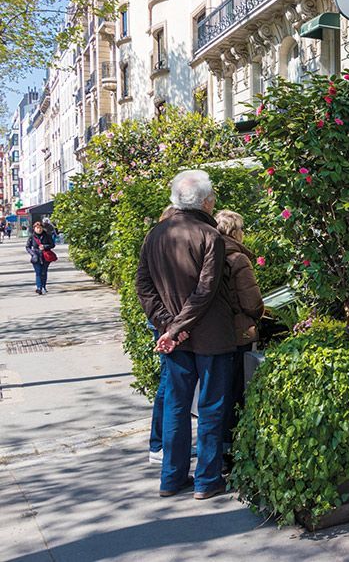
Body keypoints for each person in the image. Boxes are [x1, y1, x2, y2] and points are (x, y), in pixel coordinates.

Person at [135, 170, 236, 500]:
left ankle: (171, 478)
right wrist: (175, 327)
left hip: (176, 339)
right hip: (211, 336)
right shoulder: (211, 235)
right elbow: (206, 291)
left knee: (176, 407)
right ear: (206, 201)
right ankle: (207, 480)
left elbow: (144, 287)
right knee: (210, 407)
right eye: (213, 196)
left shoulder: (155, 234)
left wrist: (168, 326)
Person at [213, 210, 264, 463]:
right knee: (237, 393)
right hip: (239, 333)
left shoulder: (210, 253)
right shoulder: (238, 259)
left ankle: (218, 451)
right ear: (235, 232)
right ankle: (232, 451)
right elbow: (252, 302)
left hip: (215, 333)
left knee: (218, 394)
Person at [147, 207, 178, 466]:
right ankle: (159, 444)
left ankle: (160, 444)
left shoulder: (155, 245)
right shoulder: (163, 249)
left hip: (162, 322)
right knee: (168, 383)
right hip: (166, 324)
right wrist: (171, 325)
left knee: (169, 382)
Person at [26, 221, 55, 295]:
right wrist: (33, 254)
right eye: (37, 228)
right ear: (34, 229)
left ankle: (44, 287)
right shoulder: (32, 237)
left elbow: (52, 244)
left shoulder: (47, 235)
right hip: (36, 257)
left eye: (40, 228)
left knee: (44, 272)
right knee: (38, 273)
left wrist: (45, 246)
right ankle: (39, 288)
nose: (39, 229)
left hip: (45, 256)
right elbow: (27, 247)